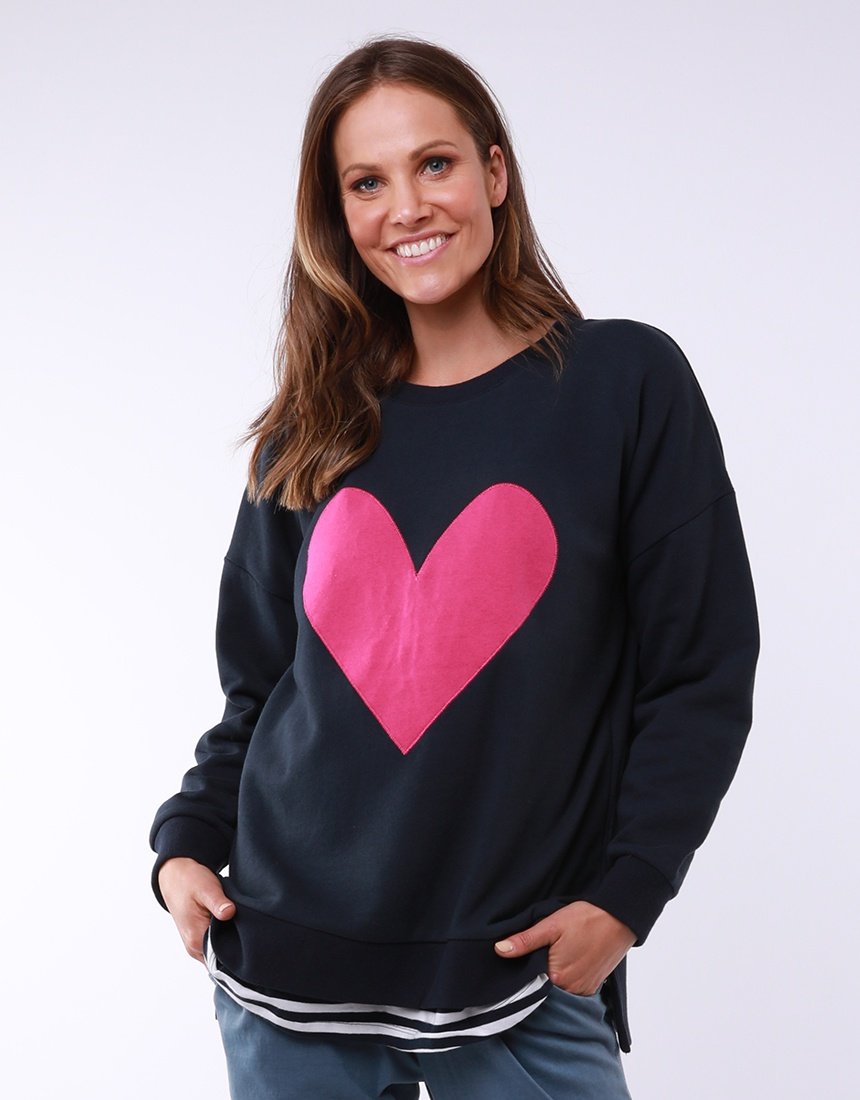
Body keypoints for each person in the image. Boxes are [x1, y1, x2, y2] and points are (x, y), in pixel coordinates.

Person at [149, 34, 759, 1100]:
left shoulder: (624, 385)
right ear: (337, 213)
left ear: (494, 172)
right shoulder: (308, 429)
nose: (407, 207)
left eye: (433, 163)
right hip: (288, 967)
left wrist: (627, 894)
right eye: (366, 182)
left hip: (520, 971)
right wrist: (185, 842)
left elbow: (699, 672)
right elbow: (261, 687)